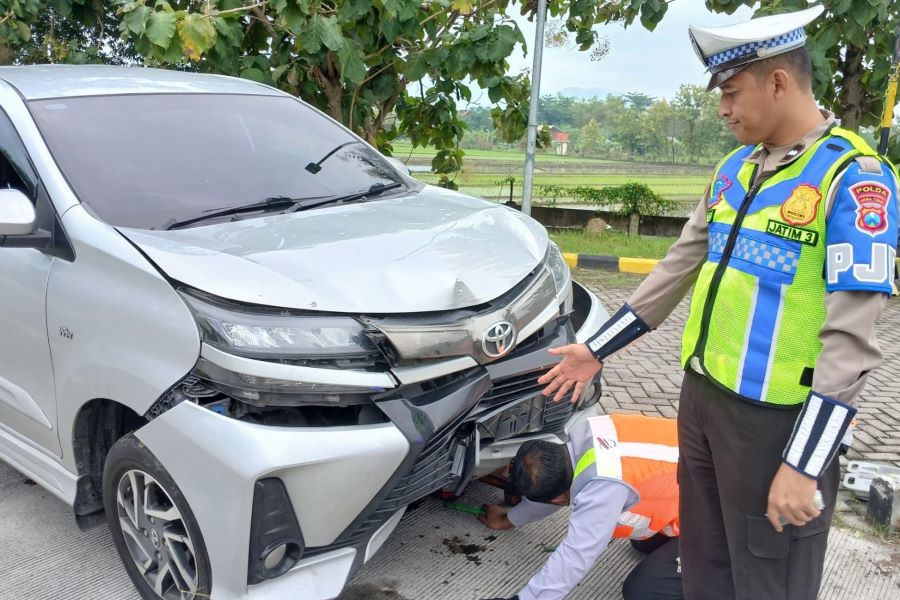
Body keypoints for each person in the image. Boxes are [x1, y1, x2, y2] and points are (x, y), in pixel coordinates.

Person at [537, 5, 900, 600]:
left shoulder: (853, 179)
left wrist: (804, 461)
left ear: (778, 82)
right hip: (701, 400)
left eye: (731, 93)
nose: (723, 109)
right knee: (704, 564)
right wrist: (594, 351)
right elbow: (677, 267)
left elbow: (853, 341)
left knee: (770, 577)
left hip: (776, 422)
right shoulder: (734, 171)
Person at [479, 413, 682, 600]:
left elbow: (576, 554)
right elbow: (557, 484)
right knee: (643, 542)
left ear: (558, 499)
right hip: (702, 469)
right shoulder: (584, 433)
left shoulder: (605, 486)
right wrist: (510, 518)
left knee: (644, 591)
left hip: (712, 517)